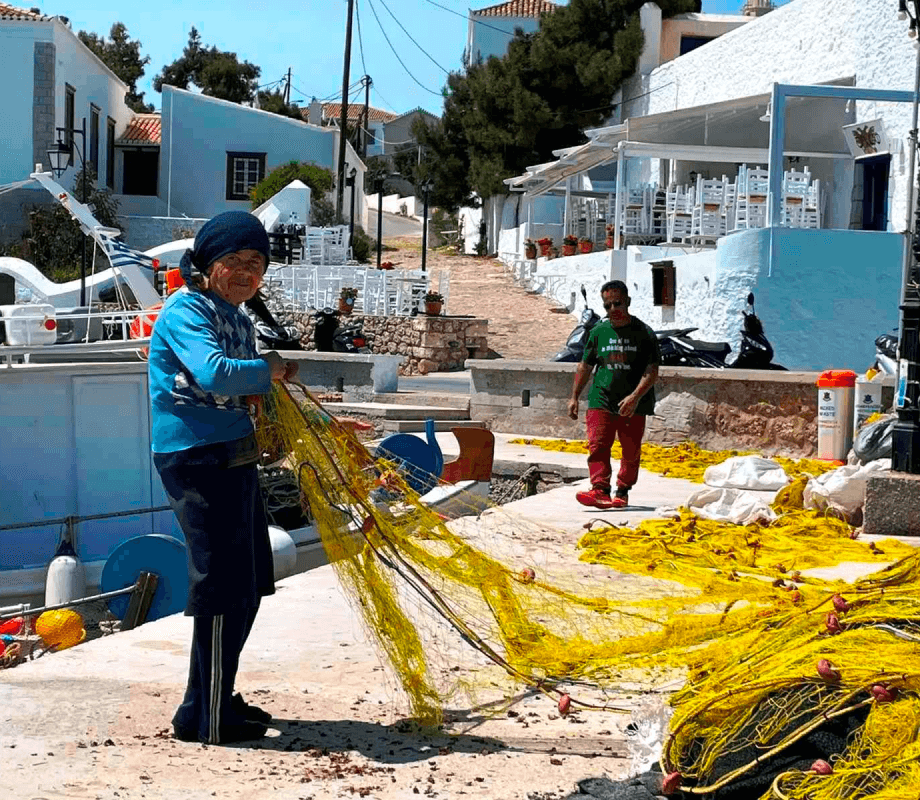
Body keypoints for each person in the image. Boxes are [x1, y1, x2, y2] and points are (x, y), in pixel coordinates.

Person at [147, 210, 298, 744]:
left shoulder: (236, 315)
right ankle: (205, 716)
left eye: (255, 263)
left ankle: (215, 693)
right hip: (195, 458)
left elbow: (253, 389)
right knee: (219, 586)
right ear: (207, 264)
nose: (243, 271)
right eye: (232, 260)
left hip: (234, 453)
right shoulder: (187, 309)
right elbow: (213, 372)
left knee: (249, 584)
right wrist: (271, 367)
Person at [567, 280, 660, 510]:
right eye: (607, 306)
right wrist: (574, 397)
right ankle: (599, 490)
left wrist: (635, 397)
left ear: (627, 301)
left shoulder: (644, 333)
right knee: (597, 445)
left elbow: (652, 370)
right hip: (601, 398)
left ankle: (623, 490)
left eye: (617, 304)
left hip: (633, 403)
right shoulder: (599, 332)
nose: (612, 310)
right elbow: (585, 366)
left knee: (630, 450)